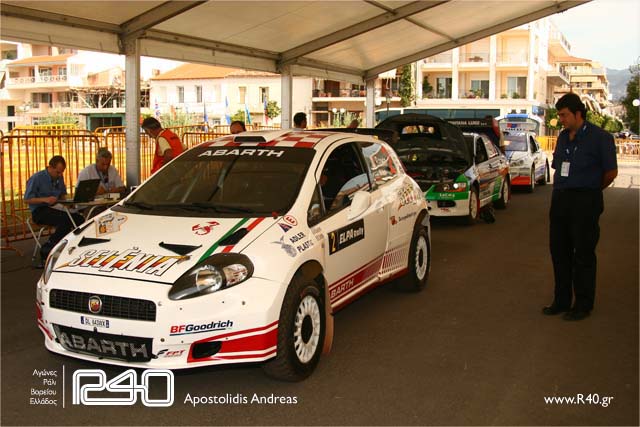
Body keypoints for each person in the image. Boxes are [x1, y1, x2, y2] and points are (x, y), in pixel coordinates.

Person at [543, 93, 618, 321]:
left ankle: (583, 304)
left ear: (578, 114)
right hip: (561, 200)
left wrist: (591, 190)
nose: (561, 119)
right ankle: (561, 300)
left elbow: (611, 172)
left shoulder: (600, 138)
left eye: (564, 115)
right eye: (559, 115)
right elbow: (558, 166)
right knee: (559, 252)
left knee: (583, 255)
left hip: (585, 201)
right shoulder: (563, 137)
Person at [24, 156, 84, 267]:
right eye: (58, 172)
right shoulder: (37, 178)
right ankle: (48, 249)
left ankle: (74, 248)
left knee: (79, 219)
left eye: (62, 172)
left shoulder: (59, 177)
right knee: (64, 221)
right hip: (40, 210)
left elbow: (62, 195)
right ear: (50, 168)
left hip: (56, 207)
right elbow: (27, 199)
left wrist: (68, 204)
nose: (60, 175)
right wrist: (45, 199)